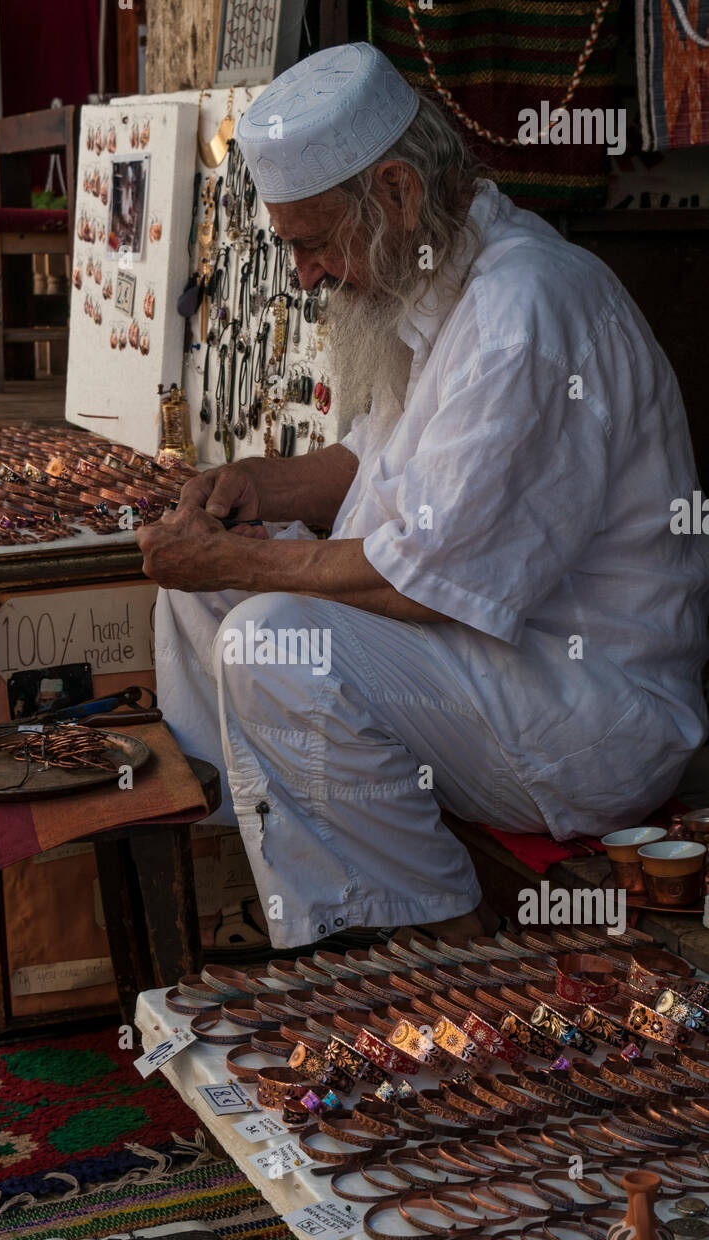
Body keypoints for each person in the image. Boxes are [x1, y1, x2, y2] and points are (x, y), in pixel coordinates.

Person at [138, 43, 709, 950]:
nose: (308, 277)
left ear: (398, 194)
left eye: (314, 243)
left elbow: (420, 580)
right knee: (203, 590)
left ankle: (441, 938)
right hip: (489, 670)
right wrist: (247, 486)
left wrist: (242, 556)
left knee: (270, 642)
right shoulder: (440, 280)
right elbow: (372, 460)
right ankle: (257, 890)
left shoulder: (521, 311)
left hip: (585, 713)